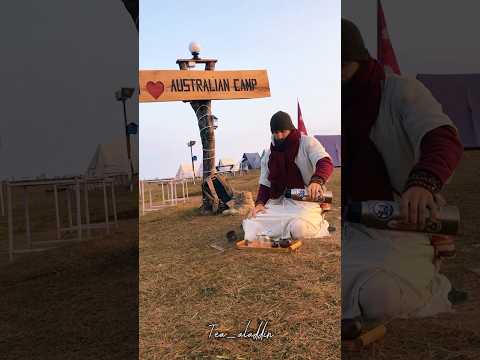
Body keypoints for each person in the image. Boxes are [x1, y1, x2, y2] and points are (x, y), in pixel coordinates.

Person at [341, 18, 463, 333]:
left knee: (378, 298)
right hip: (353, 228)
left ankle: (434, 286)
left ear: (352, 59)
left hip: (403, 224)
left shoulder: (400, 90)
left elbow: (442, 139)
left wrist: (422, 183)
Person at [242, 111, 334, 240]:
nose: (279, 136)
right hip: (280, 202)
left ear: (290, 129)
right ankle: (280, 230)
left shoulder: (307, 143)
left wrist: (317, 180)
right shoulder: (269, 154)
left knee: (299, 229)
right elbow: (265, 184)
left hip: (306, 199)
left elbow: (325, 162)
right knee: (252, 223)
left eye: (283, 131)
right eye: (275, 132)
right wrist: (260, 203)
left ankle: (319, 222)